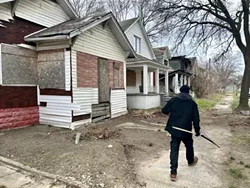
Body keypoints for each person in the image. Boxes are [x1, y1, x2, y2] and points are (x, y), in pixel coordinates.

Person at [161, 85, 200, 181]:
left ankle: (173, 172)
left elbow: (164, 110)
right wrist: (197, 130)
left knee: (174, 149)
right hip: (186, 130)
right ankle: (190, 161)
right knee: (189, 145)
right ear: (188, 92)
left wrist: (172, 112)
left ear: (180, 91)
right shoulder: (192, 103)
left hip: (174, 129)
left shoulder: (174, 100)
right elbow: (196, 119)